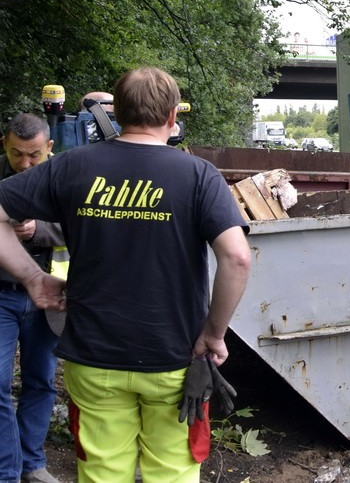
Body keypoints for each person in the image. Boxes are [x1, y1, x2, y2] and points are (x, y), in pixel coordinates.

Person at [0, 67, 252, 482]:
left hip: (94, 355)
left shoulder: (71, 166)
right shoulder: (198, 175)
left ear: (117, 114)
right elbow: (237, 258)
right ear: (173, 116)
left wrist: (32, 278)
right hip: (174, 357)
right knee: (170, 472)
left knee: (102, 471)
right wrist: (214, 333)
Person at [0, 114, 65, 483]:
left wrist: (38, 229)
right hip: (2, 296)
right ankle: (7, 470)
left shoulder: (69, 175)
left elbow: (83, 222)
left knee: (41, 381)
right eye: (16, 154)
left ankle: (31, 463)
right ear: (3, 144)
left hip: (49, 299)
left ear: (49, 148)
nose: (25, 164)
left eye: (34, 156)